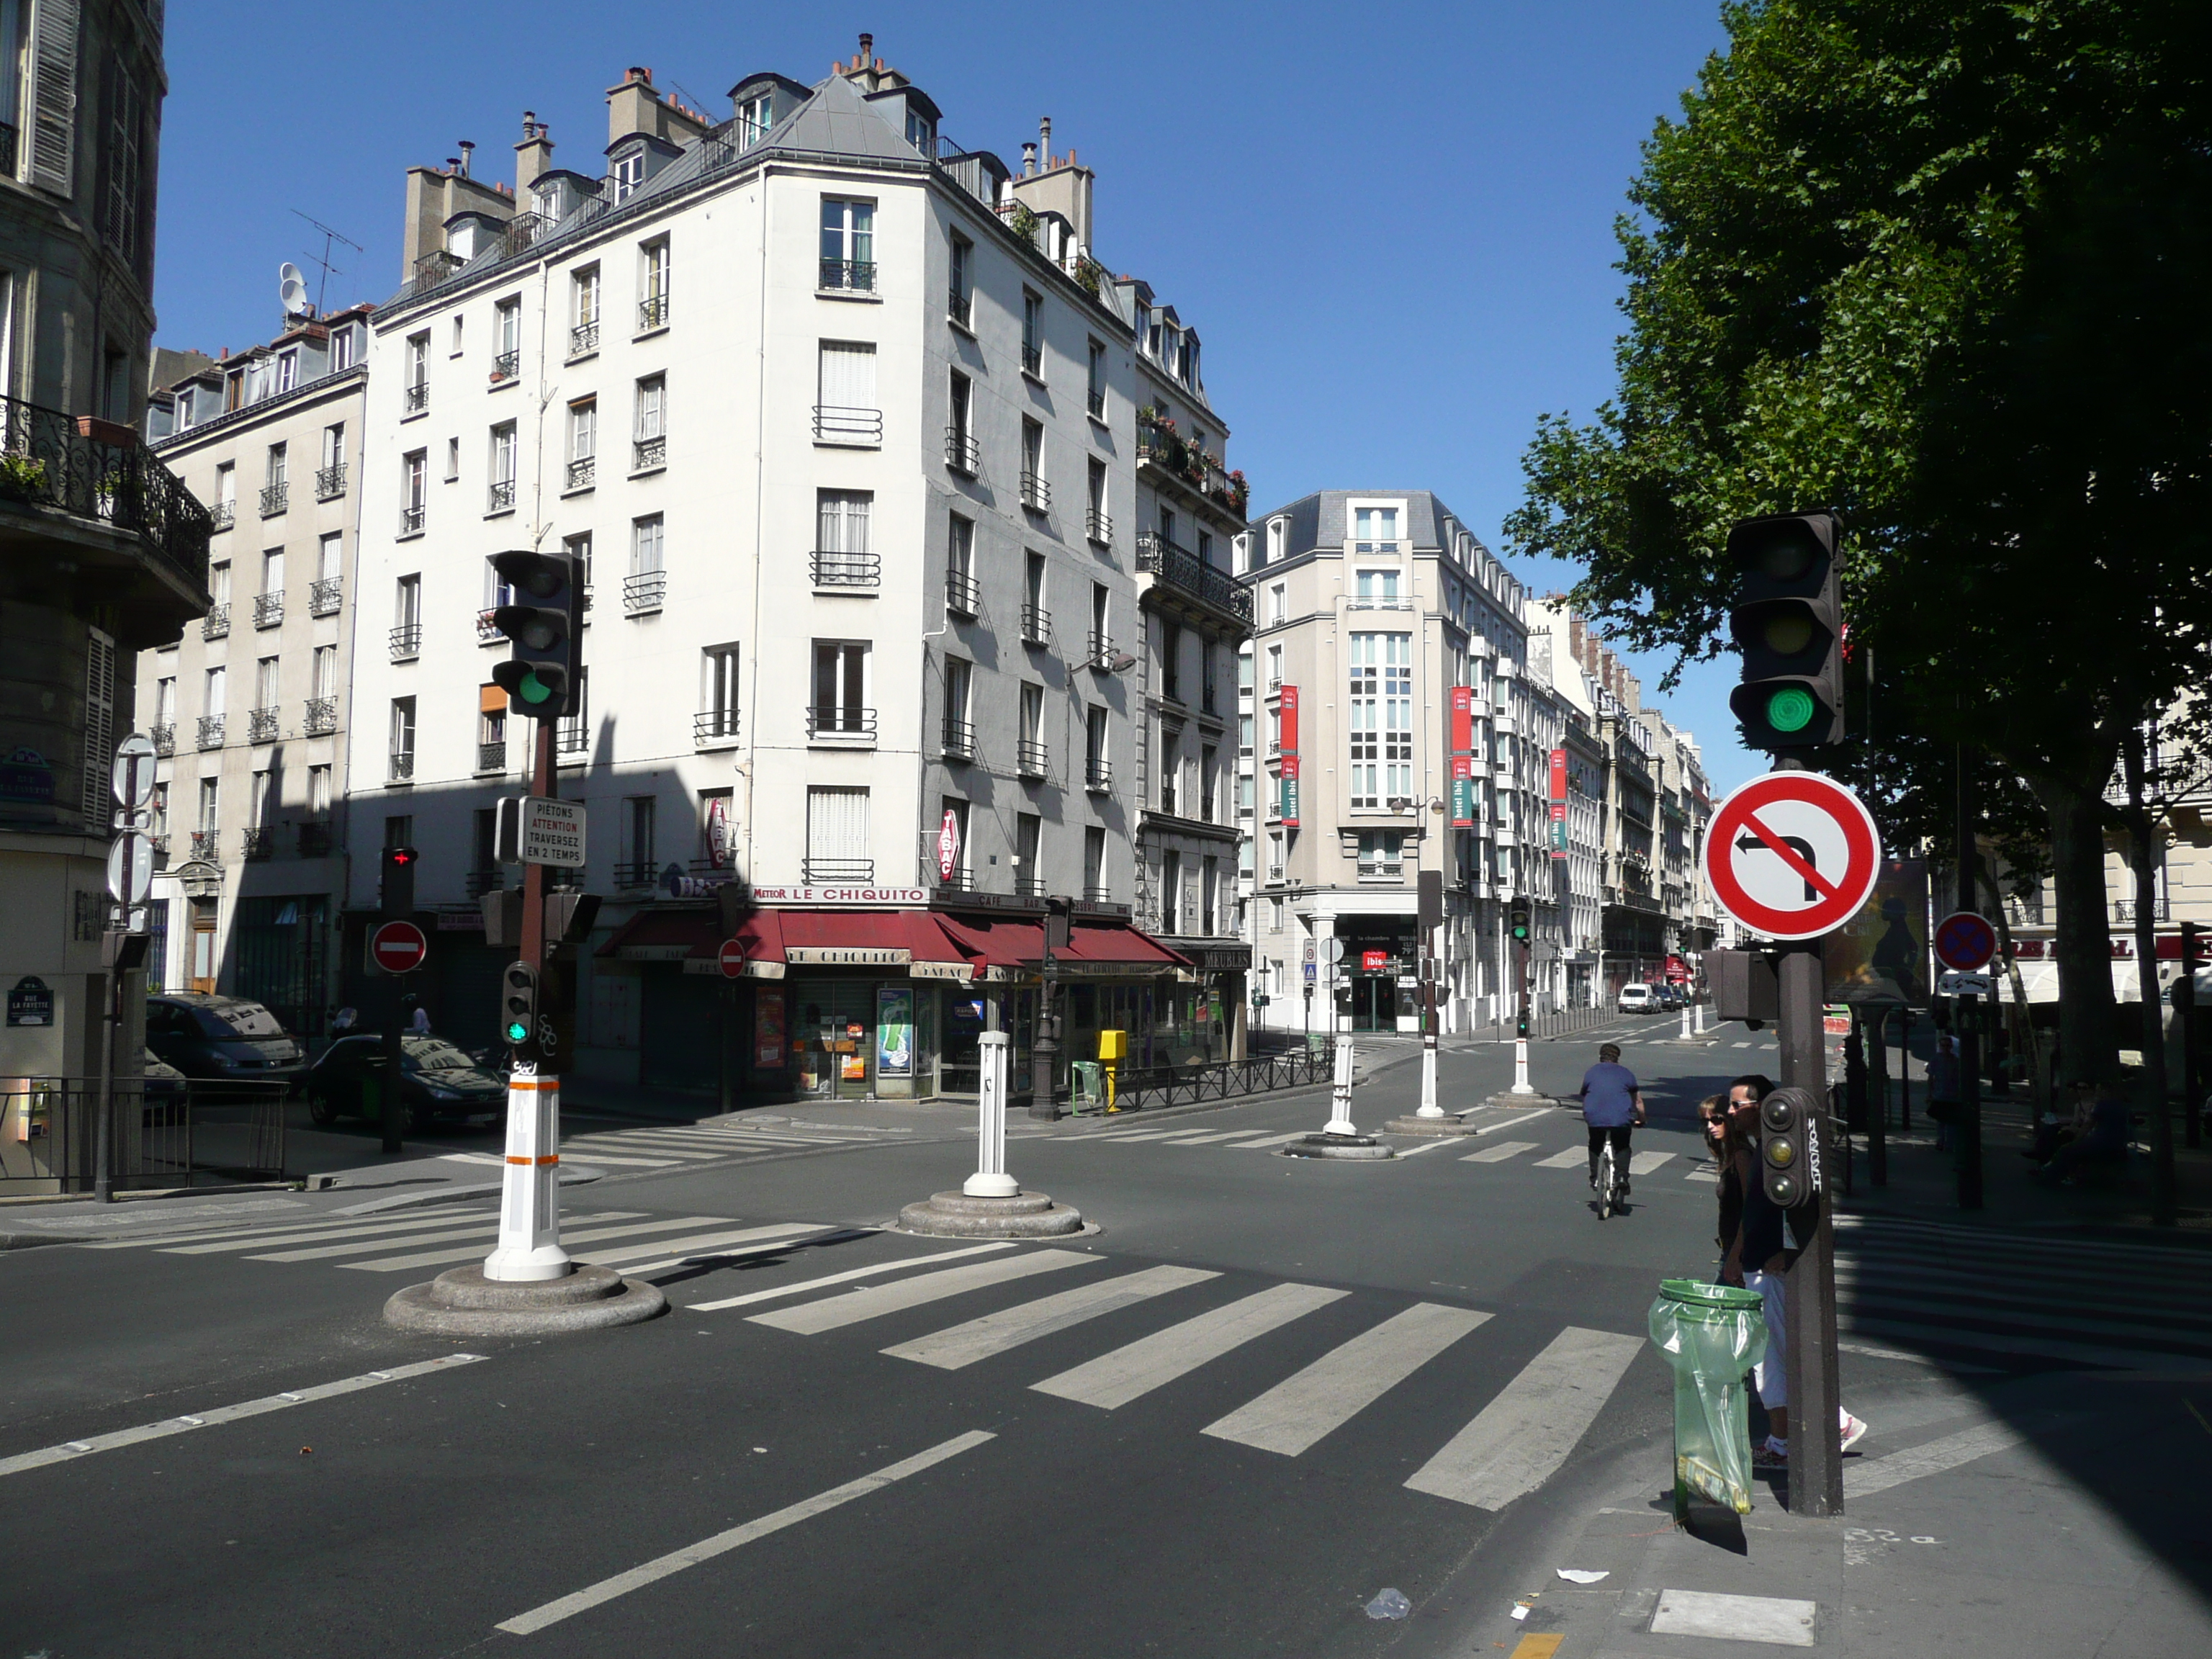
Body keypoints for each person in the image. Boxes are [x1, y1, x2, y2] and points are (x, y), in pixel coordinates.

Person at [1719, 1074, 1869, 1470]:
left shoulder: (1776, 1150)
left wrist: (1786, 1256)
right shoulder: (1766, 1148)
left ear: (1763, 1105)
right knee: (1769, 1358)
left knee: (1780, 1355)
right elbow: (1754, 1215)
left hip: (1770, 1267)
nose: (1730, 1112)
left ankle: (1837, 1423)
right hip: (1760, 1263)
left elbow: (1802, 1206)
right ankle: (1783, 1439)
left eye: (1737, 1105)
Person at [1578, 1043, 1644, 1199]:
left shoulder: (1591, 1072)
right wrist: (1642, 1119)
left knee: (1595, 1144)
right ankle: (1621, 1177)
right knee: (1622, 1147)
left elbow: (1585, 1094)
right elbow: (1638, 1102)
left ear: (1600, 1056)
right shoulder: (1626, 1073)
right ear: (1617, 1058)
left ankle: (1595, 1179)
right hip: (1621, 1118)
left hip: (1594, 1117)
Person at [2040, 1079, 2131, 1184]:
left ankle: (2051, 1175)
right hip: (2118, 1144)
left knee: (2067, 1149)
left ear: (2105, 1091)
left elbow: (2088, 1124)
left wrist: (2077, 1139)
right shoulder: (2122, 1106)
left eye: (2099, 1090)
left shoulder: (2102, 1105)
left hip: (2100, 1142)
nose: (2097, 1093)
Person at [1925, 1034, 1961, 1150]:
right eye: (1943, 1045)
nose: (1945, 1048)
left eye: (1947, 1045)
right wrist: (1929, 1094)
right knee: (1941, 1121)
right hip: (1939, 1094)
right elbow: (1931, 1077)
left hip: (1953, 1095)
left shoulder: (1956, 1061)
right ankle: (1941, 1141)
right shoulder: (1936, 1059)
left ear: (1951, 1046)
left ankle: (1949, 1143)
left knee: (1951, 1121)